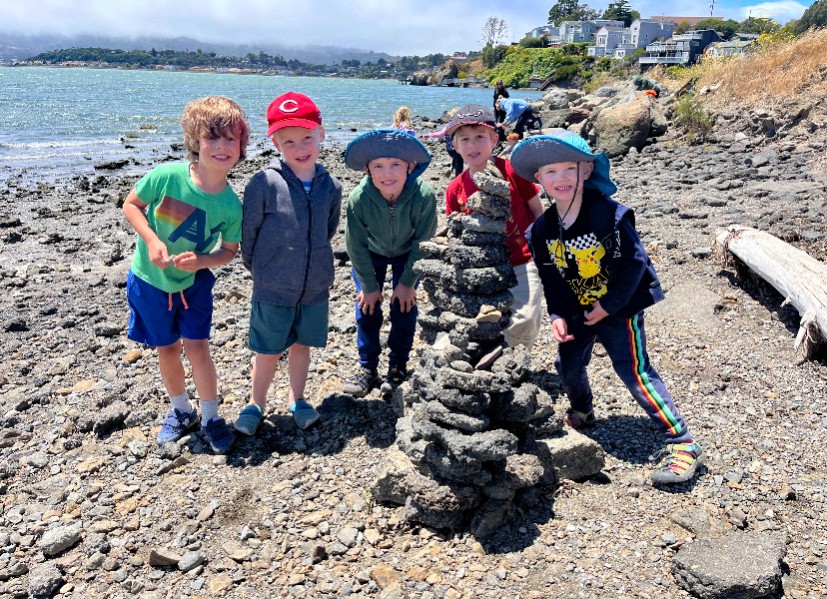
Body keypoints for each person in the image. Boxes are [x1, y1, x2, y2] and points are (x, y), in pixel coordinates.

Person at [511, 130, 704, 484]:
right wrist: (556, 314)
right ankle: (583, 410)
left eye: (569, 168)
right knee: (567, 364)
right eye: (550, 172)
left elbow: (636, 264)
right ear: (538, 179)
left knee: (634, 370)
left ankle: (682, 441)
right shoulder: (541, 230)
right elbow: (551, 278)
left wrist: (608, 305)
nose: (561, 178)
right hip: (576, 310)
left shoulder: (609, 215)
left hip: (619, 307)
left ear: (586, 170)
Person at [123, 96, 248, 454]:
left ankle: (210, 417)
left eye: (231, 139)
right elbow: (132, 204)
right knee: (166, 348)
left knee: (198, 347)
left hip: (194, 285)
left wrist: (202, 261)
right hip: (149, 281)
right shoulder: (167, 176)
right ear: (196, 140)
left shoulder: (231, 205)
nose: (222, 147)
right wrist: (150, 240)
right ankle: (181, 411)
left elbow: (228, 252)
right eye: (213, 138)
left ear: (241, 147)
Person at [233, 92, 342, 435]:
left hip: (314, 286)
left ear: (322, 134)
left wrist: (318, 266)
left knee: (301, 345)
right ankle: (256, 403)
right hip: (273, 285)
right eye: (289, 141)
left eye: (308, 137)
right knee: (267, 350)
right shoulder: (264, 182)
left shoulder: (331, 185)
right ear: (276, 142)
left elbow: (328, 229)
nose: (300, 147)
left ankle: (298, 398)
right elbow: (248, 236)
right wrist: (265, 270)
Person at [341, 130, 437, 397]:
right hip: (372, 252)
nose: (387, 174)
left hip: (408, 252)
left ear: (411, 166)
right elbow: (355, 245)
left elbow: (423, 242)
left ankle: (398, 365)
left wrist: (407, 283)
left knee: (404, 307)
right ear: (367, 170)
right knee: (367, 307)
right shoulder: (359, 198)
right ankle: (367, 367)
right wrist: (370, 287)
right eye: (378, 166)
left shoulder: (424, 195)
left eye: (396, 164)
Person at [444, 104, 545, 349]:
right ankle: (487, 351)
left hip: (523, 257)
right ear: (455, 146)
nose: (472, 145)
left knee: (526, 315)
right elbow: (454, 231)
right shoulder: (455, 187)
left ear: (494, 139)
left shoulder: (512, 170)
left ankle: (514, 356)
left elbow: (536, 207)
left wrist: (545, 245)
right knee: (482, 313)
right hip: (483, 264)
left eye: (480, 137)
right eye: (464, 139)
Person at [421, 107, 464, 177]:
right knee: (460, 164)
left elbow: (440, 134)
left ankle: (452, 168)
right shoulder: (460, 126)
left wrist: (429, 135)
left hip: (449, 149)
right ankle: (458, 179)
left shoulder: (448, 125)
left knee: (456, 158)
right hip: (457, 148)